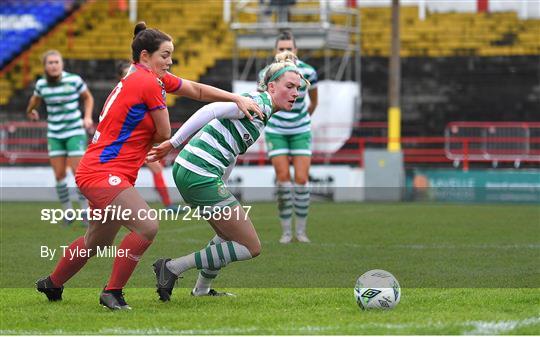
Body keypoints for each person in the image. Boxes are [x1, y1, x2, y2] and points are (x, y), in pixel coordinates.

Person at [35, 22, 263, 310]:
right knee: (147, 226)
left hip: (102, 170)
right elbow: (165, 133)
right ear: (145, 56)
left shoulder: (143, 76)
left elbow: (195, 89)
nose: (170, 62)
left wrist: (235, 97)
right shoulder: (147, 82)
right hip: (103, 173)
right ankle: (112, 293)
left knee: (97, 241)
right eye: (165, 55)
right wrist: (149, 138)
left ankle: (52, 284)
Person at [147, 51, 307, 300]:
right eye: (290, 86)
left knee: (225, 235)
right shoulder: (258, 103)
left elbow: (231, 151)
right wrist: (174, 141)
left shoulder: (263, 110)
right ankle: (171, 267)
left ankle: (201, 290)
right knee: (250, 247)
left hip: (196, 172)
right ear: (272, 86)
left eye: (298, 88)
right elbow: (211, 110)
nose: (296, 93)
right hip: (198, 172)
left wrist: (222, 181)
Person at [258, 31, 318, 243]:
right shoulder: (266, 73)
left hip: (301, 130)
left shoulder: (308, 72)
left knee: (301, 180)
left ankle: (301, 232)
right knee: (283, 179)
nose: (285, 52)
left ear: (296, 50)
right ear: (276, 51)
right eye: (281, 48)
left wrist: (302, 121)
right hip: (276, 131)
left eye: (289, 48)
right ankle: (285, 232)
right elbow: (262, 100)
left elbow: (313, 102)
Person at [26, 50, 94, 226]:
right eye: (50, 63)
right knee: (59, 175)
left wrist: (87, 117)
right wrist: (30, 111)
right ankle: (67, 212)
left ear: (62, 65)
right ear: (45, 66)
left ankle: (85, 212)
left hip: (74, 131)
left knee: (77, 173)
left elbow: (88, 98)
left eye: (57, 62)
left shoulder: (73, 80)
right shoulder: (41, 85)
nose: (54, 65)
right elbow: (34, 100)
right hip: (55, 133)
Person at [116, 60, 180, 211]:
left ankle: (167, 204)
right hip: (128, 142)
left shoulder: (142, 90)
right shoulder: (121, 95)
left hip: (141, 141)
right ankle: (167, 205)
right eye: (127, 73)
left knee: (155, 169)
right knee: (127, 174)